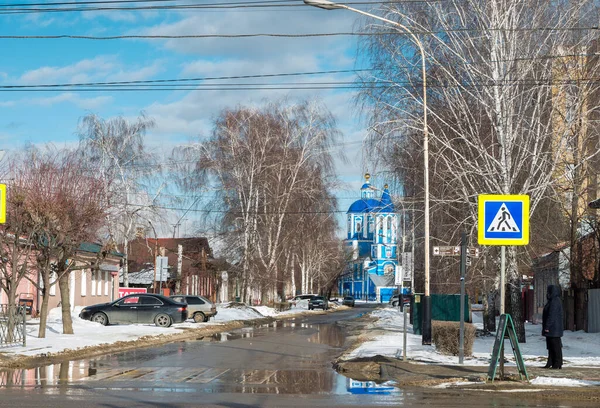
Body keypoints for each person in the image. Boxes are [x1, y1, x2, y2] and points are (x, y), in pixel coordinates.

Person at [542, 284, 564, 369]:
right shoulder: (552, 300)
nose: (547, 293)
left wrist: (547, 327)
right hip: (553, 328)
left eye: (548, 291)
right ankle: (551, 362)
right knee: (551, 346)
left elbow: (552, 315)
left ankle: (557, 362)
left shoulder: (554, 301)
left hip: (554, 329)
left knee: (555, 346)